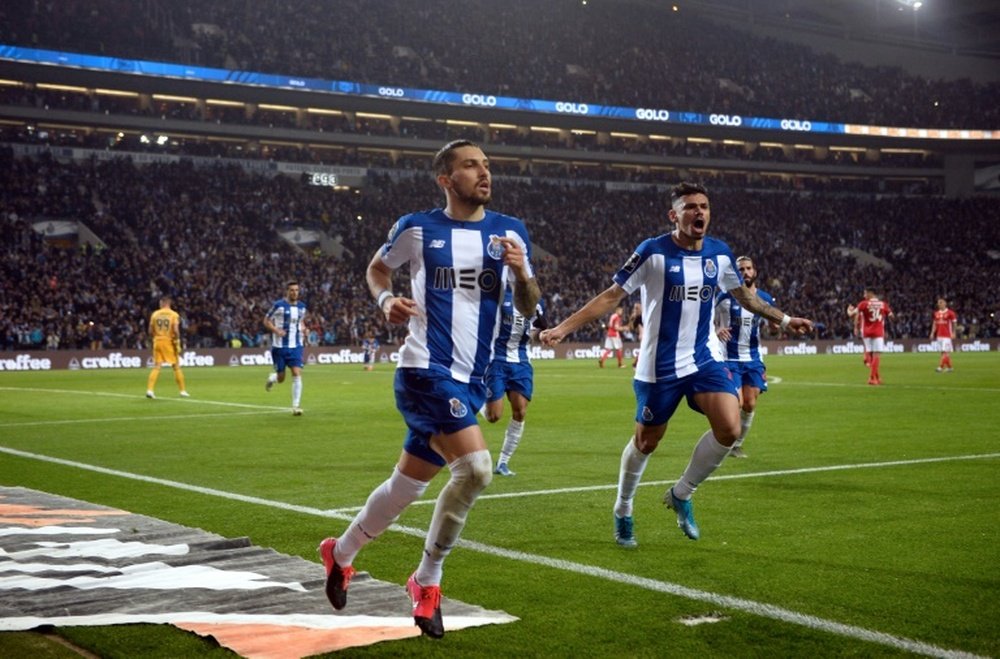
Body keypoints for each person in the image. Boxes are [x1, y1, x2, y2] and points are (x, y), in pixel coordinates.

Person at [318, 140, 541, 638]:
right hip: (424, 371)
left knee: (405, 487)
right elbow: (377, 270)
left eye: (486, 164)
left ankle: (342, 552)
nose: (484, 172)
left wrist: (522, 269)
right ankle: (426, 580)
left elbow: (528, 304)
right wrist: (385, 301)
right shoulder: (418, 228)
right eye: (471, 165)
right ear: (446, 178)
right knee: (477, 469)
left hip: (471, 378)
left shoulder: (510, 231)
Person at [541, 182, 812, 546]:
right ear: (674, 215)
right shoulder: (652, 252)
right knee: (646, 442)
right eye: (690, 207)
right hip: (658, 366)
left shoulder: (719, 253)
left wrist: (783, 319)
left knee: (730, 428)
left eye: (704, 206)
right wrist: (563, 328)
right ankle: (623, 508)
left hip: (702, 359)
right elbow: (612, 296)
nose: (699, 212)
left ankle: (681, 493)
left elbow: (744, 295)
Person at [714, 255, 776, 459]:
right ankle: (723, 440)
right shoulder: (724, 297)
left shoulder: (766, 299)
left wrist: (776, 327)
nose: (745, 272)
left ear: (754, 271)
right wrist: (718, 329)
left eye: (748, 268)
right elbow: (707, 322)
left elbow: (773, 327)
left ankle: (736, 445)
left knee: (750, 404)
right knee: (736, 403)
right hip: (729, 359)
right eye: (740, 269)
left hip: (753, 359)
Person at [483, 283, 546, 476]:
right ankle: (476, 394)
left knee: (520, 411)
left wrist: (541, 334)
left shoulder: (535, 302)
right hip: (497, 360)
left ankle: (502, 462)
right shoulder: (499, 296)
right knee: (493, 416)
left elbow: (535, 332)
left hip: (521, 363)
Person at [263, 281, 307, 415]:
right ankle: (273, 377)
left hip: (296, 346)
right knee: (281, 378)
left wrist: (305, 330)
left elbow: (301, 322)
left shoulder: (302, 307)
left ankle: (296, 406)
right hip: (280, 347)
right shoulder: (278, 306)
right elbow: (266, 320)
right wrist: (276, 330)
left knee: (296, 373)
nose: (294, 292)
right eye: (292, 290)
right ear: (287, 292)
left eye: (296, 290)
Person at [847, 287, 894, 385]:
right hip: (878, 332)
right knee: (876, 355)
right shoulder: (883, 304)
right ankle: (872, 378)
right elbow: (891, 316)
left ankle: (876, 377)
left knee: (870, 355)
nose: (864, 296)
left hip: (866, 332)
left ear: (870, 293)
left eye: (865, 294)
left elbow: (852, 314)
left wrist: (848, 311)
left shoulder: (863, 304)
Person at [146, 296, 189, 399]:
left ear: (164, 303)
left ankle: (150, 390)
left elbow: (150, 331)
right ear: (169, 304)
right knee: (176, 366)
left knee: (157, 366)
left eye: (160, 303)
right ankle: (182, 391)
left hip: (157, 341)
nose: (159, 305)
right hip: (168, 342)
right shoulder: (174, 314)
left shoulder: (155, 314)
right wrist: (177, 342)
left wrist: (156, 337)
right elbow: (175, 330)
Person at [930, 297, 957, 372]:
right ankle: (950, 367)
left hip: (947, 336)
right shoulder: (936, 313)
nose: (939, 304)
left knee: (946, 352)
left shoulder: (950, 313)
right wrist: (932, 332)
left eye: (941, 302)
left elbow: (954, 323)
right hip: (939, 336)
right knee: (942, 352)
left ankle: (940, 367)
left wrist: (954, 332)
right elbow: (934, 324)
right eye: (938, 303)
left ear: (945, 303)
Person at [629, 301, 642, 369]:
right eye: (635, 308)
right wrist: (631, 319)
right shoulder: (638, 317)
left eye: (637, 308)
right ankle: (635, 364)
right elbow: (632, 328)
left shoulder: (647, 314)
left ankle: (635, 364)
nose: (635, 310)